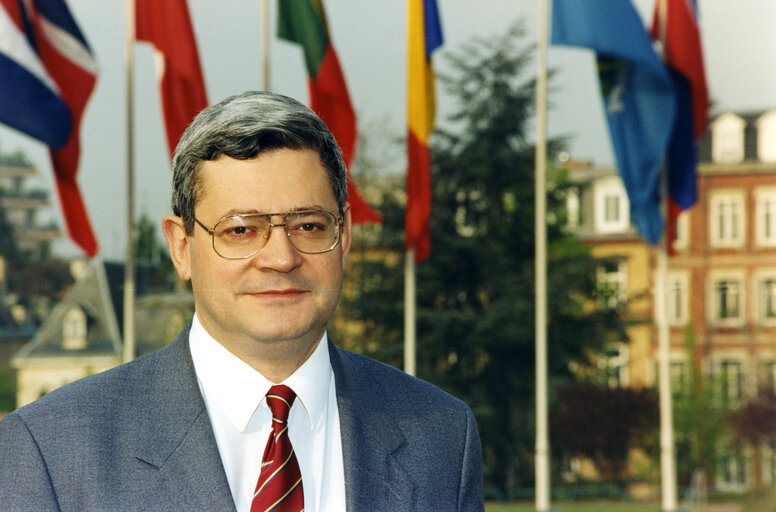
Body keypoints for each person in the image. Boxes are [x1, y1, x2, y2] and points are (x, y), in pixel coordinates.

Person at [0, 91, 483, 511]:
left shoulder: (440, 437)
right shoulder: (51, 450)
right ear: (181, 248)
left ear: (346, 235)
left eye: (309, 226)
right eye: (240, 230)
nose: (280, 257)